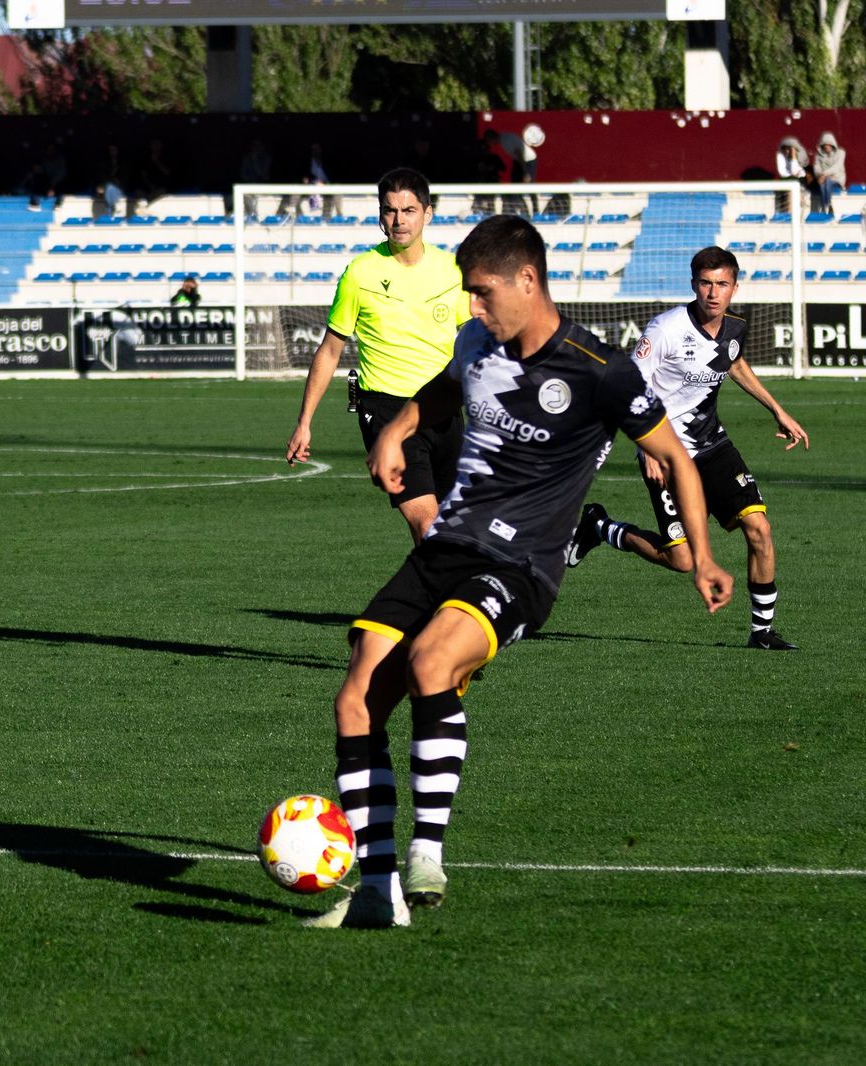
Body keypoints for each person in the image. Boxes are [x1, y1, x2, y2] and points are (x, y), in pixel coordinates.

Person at [303, 215, 734, 929]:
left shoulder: (599, 371)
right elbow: (441, 391)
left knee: (432, 660)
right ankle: (377, 890)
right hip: (447, 546)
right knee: (356, 695)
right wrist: (395, 428)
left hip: (522, 563)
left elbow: (676, 459)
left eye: (481, 293)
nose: (471, 308)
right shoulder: (478, 343)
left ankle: (427, 854)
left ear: (526, 281)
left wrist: (704, 558)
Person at [567, 246, 807, 652]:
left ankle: (762, 631)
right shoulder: (665, 329)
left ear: (734, 287)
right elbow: (629, 387)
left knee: (759, 529)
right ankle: (598, 526)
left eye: (722, 284)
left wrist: (777, 410)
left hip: (712, 444)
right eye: (706, 283)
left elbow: (734, 362)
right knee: (682, 561)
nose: (714, 293)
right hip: (666, 452)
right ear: (693, 284)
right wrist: (647, 450)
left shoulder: (734, 328)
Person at [285, 168, 470, 544]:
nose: (399, 220)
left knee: (453, 529)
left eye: (409, 210)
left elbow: (473, 341)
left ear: (428, 214)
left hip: (445, 408)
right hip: (386, 411)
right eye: (390, 210)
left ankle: (439, 601)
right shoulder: (360, 273)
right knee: (427, 524)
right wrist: (304, 422)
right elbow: (330, 350)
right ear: (380, 215)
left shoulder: (452, 271)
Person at [811, 132, 846, 216]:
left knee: (828, 180)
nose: (827, 146)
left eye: (829, 144)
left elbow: (837, 167)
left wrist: (824, 175)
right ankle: (828, 206)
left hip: (837, 180)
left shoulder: (841, 153)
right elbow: (816, 168)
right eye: (825, 144)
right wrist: (821, 175)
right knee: (825, 182)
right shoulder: (818, 156)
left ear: (833, 145)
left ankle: (826, 206)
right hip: (823, 180)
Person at [774, 135, 810, 215]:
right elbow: (783, 172)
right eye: (786, 148)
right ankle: (789, 214)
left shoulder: (799, 156)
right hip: (786, 181)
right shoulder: (780, 155)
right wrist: (794, 173)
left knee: (797, 189)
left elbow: (800, 172)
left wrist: (793, 157)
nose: (787, 151)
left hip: (799, 181)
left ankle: (799, 213)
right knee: (791, 191)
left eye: (789, 148)